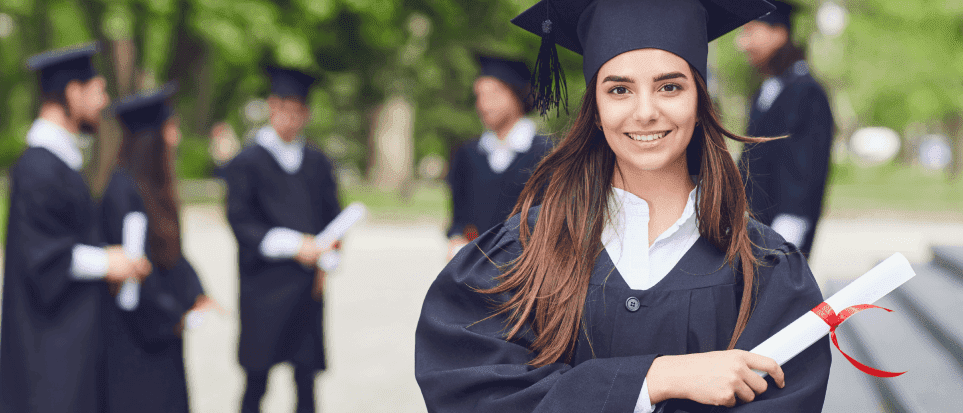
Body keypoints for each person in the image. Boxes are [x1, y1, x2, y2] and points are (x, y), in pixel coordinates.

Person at [415, 0, 832, 412]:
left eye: (670, 86)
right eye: (619, 89)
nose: (645, 112)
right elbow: (472, 392)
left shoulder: (764, 271)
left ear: (700, 102)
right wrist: (656, 380)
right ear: (596, 109)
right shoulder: (523, 251)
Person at [0, 42, 151, 412]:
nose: (104, 102)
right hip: (48, 355)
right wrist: (109, 263)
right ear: (72, 92)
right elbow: (42, 256)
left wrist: (114, 259)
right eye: (98, 91)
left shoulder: (58, 163)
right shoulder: (38, 168)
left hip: (69, 347)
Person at [225, 66, 342, 413]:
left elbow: (332, 217)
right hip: (264, 285)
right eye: (283, 109)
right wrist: (296, 246)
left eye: (298, 111)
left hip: (307, 286)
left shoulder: (317, 162)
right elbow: (241, 222)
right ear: (271, 106)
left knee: (306, 378)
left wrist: (327, 258)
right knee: (256, 378)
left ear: (306, 113)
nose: (290, 118)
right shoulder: (248, 162)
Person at [99, 83, 220, 412]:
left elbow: (170, 255)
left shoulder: (154, 189)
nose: (175, 139)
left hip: (163, 335)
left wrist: (196, 292)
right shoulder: (122, 191)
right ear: (150, 139)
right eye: (170, 129)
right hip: (136, 338)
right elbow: (137, 270)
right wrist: (172, 314)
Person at [737, 0, 835, 256]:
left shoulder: (806, 92)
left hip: (781, 234)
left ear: (778, 34)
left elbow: (805, 166)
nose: (742, 43)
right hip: (754, 230)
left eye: (750, 31)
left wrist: (788, 232)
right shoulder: (767, 89)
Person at [445, 55, 553, 259]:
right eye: (479, 95)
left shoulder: (547, 154)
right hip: (476, 265)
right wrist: (458, 238)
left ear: (517, 94)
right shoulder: (468, 154)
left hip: (529, 266)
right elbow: (459, 217)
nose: (484, 104)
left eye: (494, 93)